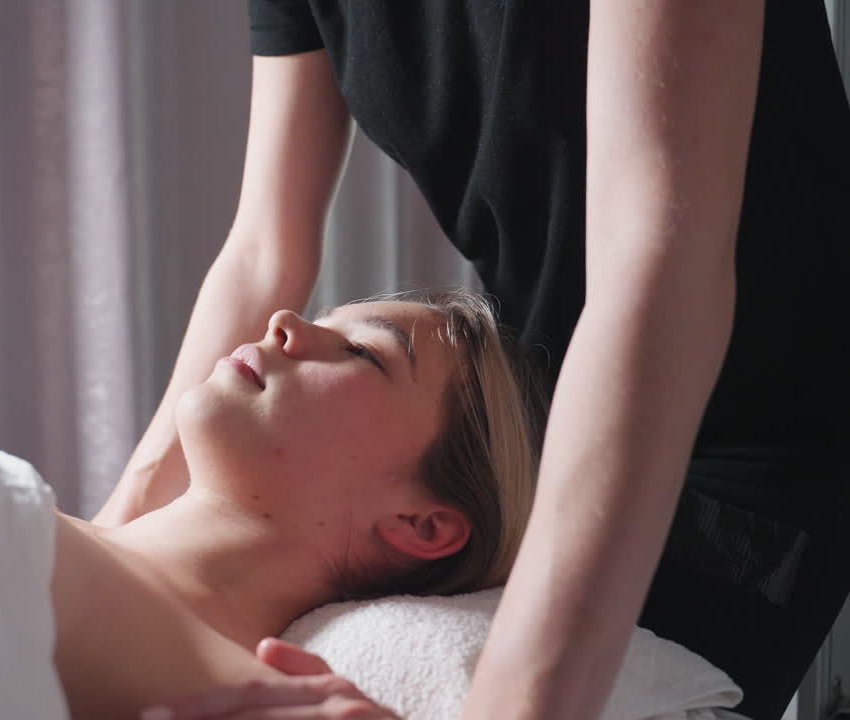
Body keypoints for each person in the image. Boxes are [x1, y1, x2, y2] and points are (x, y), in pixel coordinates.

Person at [101, 2, 850, 719]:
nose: (287, 329)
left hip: (747, 442)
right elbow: (264, 250)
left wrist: (512, 704)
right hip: (541, 401)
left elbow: (656, 261)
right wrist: (116, 525)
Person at [68, 292, 542, 718]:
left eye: (363, 352)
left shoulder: (229, 698)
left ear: (420, 525)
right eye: (324, 321)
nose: (283, 320)